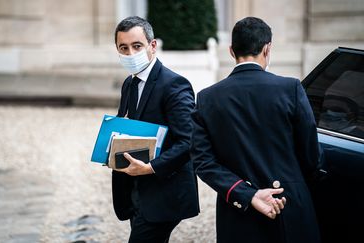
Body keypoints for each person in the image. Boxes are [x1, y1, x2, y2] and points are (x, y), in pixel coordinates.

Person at [190, 17, 322, 243]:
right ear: (267, 48)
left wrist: (247, 194)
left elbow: (203, 162)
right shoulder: (290, 88)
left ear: (231, 51)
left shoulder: (207, 98)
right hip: (288, 203)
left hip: (238, 211)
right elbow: (311, 155)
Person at [112, 16, 199, 243]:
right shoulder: (129, 84)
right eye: (124, 47)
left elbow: (189, 141)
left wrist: (150, 168)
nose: (130, 53)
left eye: (136, 46)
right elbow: (130, 126)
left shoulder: (174, 85)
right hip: (135, 191)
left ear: (152, 46)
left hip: (163, 192)